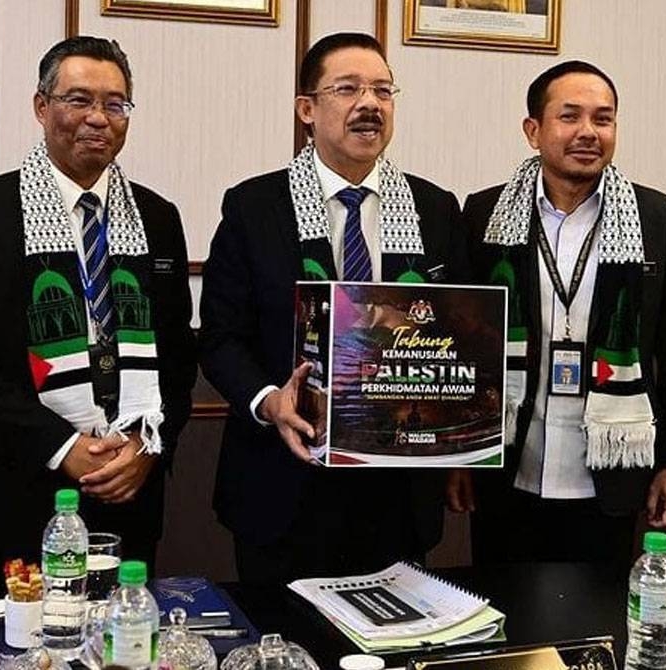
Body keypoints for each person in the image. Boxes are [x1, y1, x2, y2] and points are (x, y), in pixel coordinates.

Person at [0, 36, 196, 600]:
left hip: (128, 495)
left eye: (115, 104)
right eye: (79, 100)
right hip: (14, 497)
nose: (98, 117)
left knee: (121, 639)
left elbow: (177, 357)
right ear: (41, 107)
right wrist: (61, 445)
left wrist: (149, 448)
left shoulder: (157, 218)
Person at [199, 32, 465, 582]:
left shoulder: (435, 209)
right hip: (283, 484)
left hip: (397, 493)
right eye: (348, 89)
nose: (370, 104)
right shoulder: (255, 207)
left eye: (382, 91)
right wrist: (270, 402)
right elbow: (221, 338)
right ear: (307, 109)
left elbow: (458, 335)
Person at [446, 61, 666, 572]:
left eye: (603, 119)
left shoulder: (653, 216)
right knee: (505, 608)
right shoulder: (485, 214)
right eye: (570, 117)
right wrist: (458, 457)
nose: (588, 132)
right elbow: (464, 348)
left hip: (610, 473)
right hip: (507, 468)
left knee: (597, 612)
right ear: (533, 130)